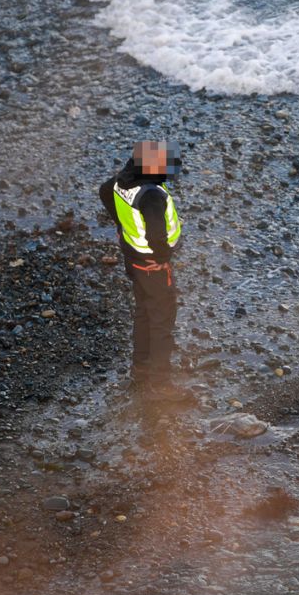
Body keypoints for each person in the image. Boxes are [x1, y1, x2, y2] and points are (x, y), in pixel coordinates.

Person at [98, 140, 186, 400]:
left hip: (133, 260)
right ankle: (160, 385)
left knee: (144, 313)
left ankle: (140, 370)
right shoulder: (151, 196)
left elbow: (104, 191)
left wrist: (121, 226)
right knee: (161, 319)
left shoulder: (122, 180)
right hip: (152, 264)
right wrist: (163, 257)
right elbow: (158, 235)